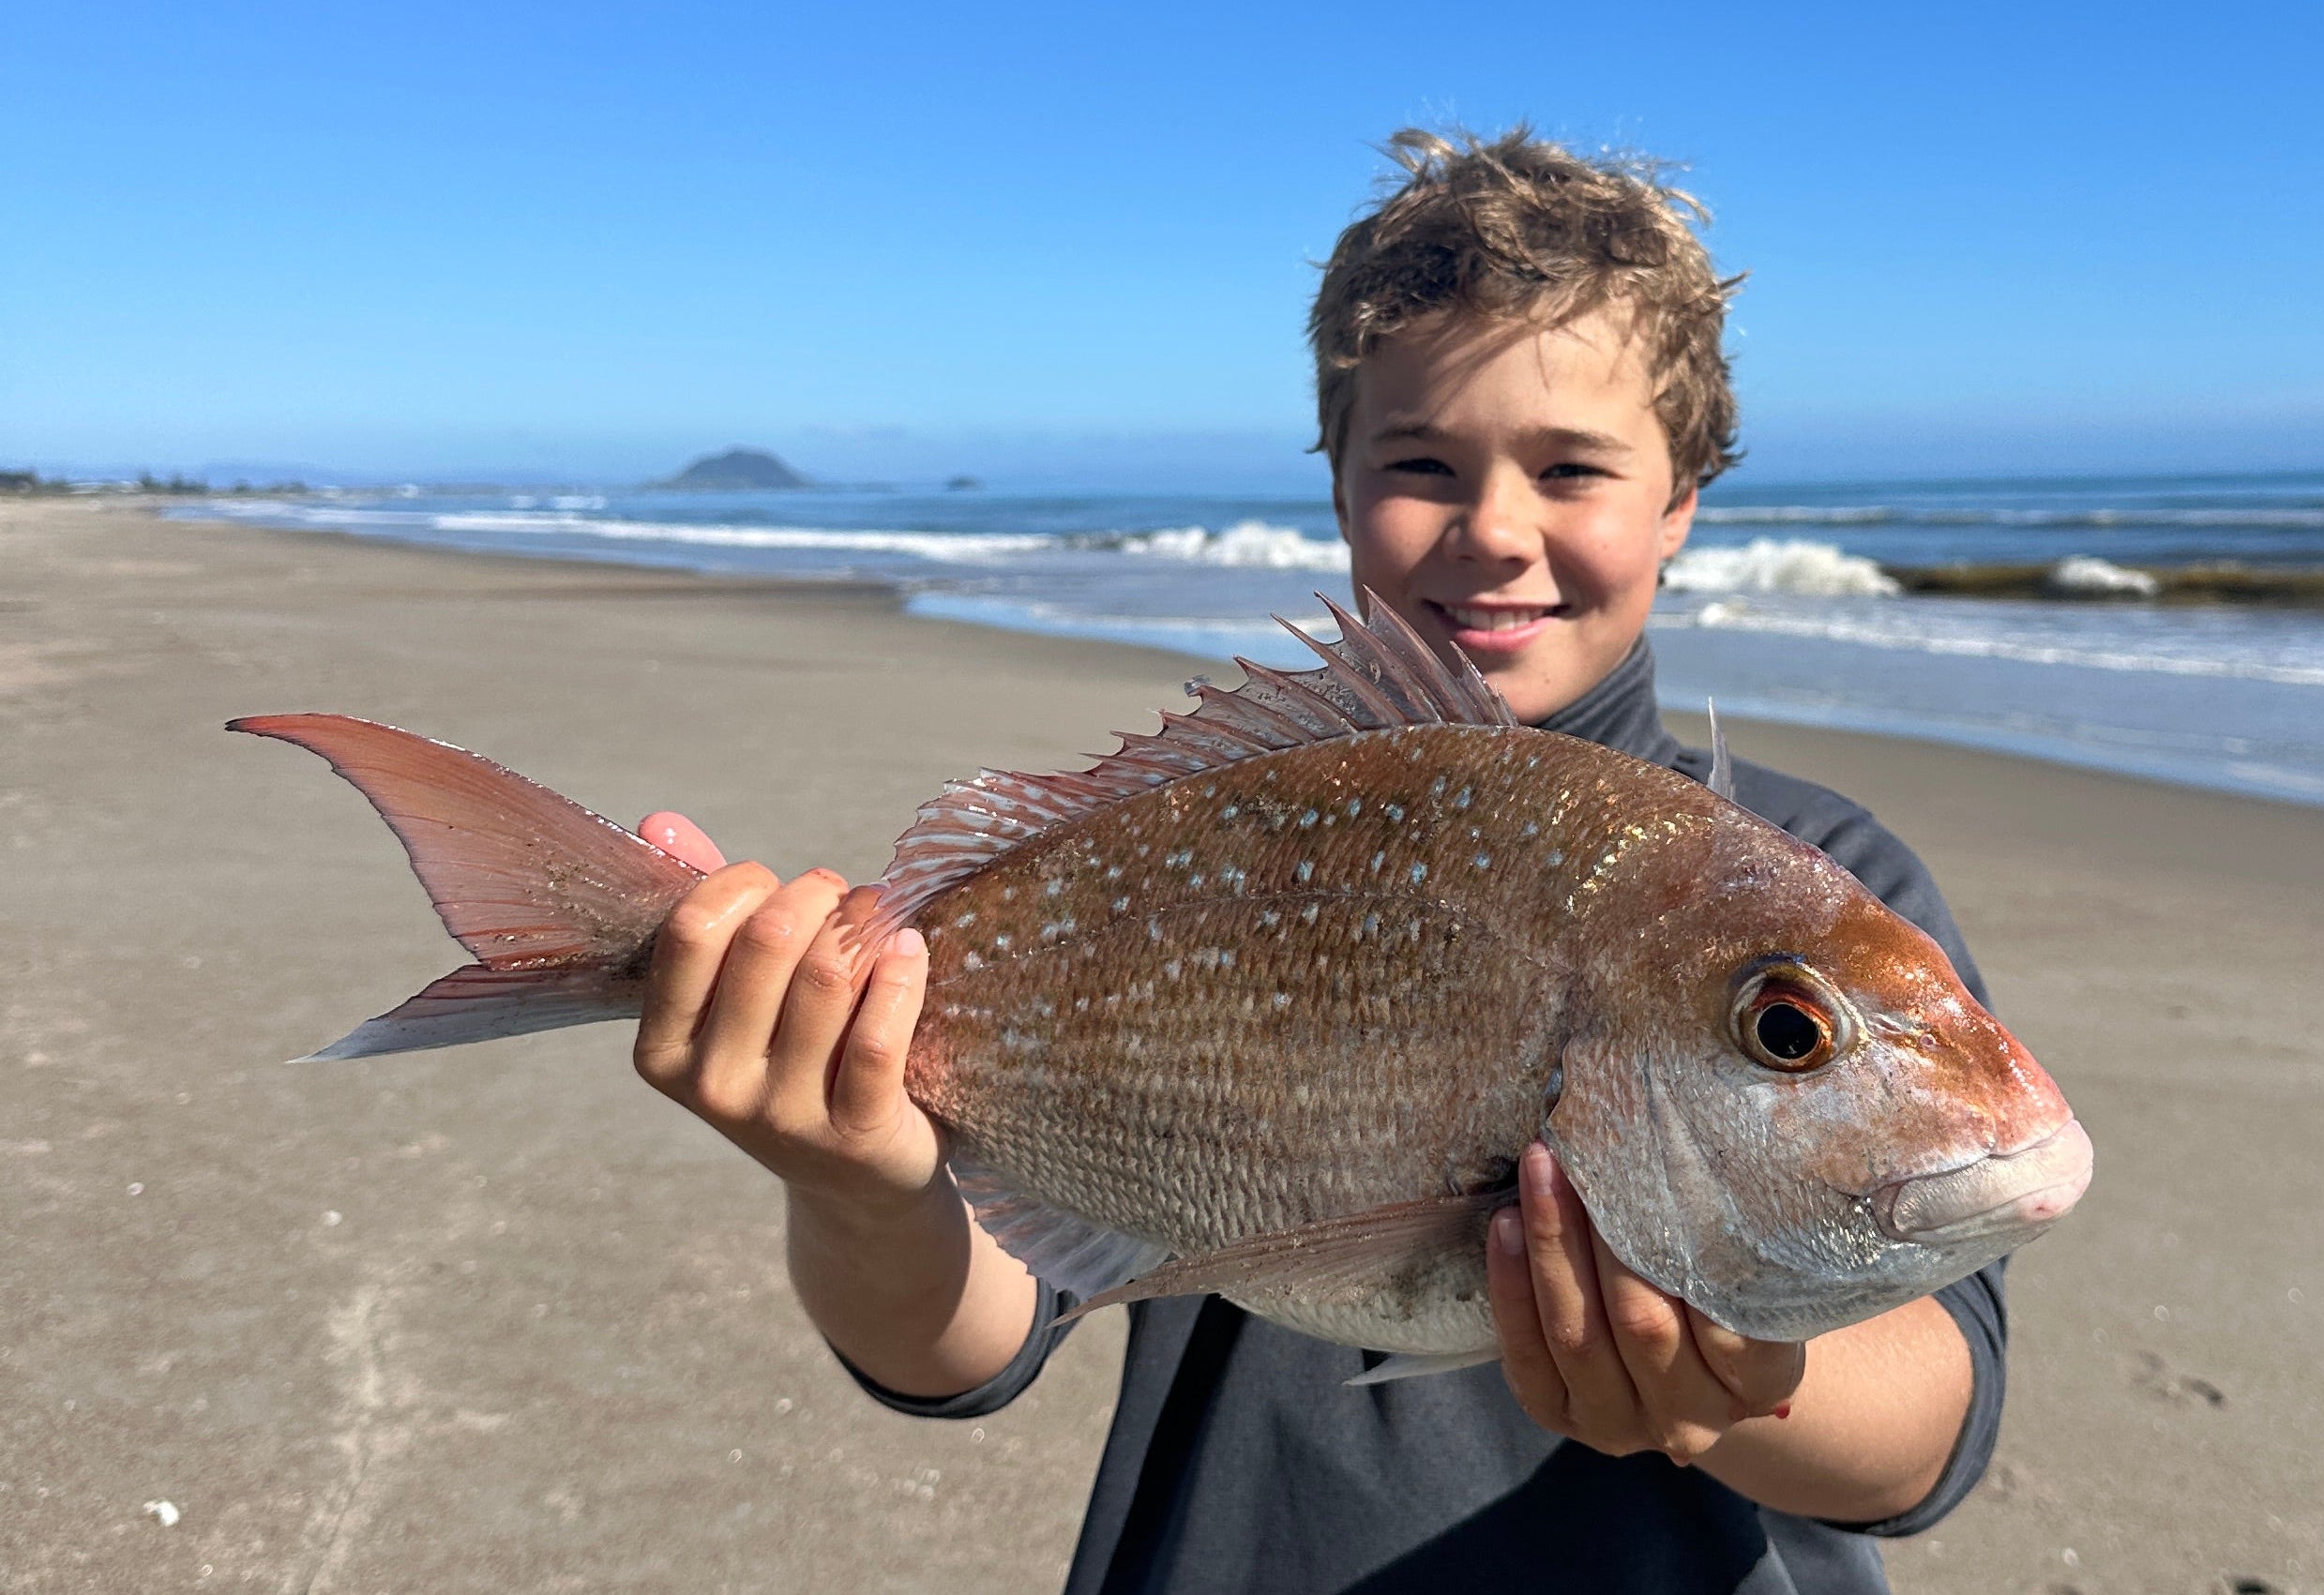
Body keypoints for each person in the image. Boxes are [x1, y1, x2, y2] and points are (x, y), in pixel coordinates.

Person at [627, 128, 2008, 1594]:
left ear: (1680, 500)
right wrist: (852, 1181)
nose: (1493, 528)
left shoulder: (1820, 882)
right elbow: (952, 1348)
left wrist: (1749, 1386)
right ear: (1340, 480)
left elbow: (1930, 1433)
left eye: (1573, 467)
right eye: (1422, 461)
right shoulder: (1228, 828)